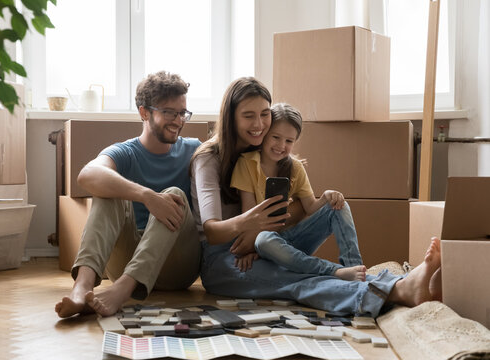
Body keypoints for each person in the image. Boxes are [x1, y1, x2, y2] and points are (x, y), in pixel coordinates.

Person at [190, 76, 442, 317]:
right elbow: (212, 232)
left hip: (265, 242)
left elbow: (297, 210)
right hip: (224, 258)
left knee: (333, 208)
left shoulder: (265, 149)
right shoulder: (208, 158)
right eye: (248, 116)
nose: (259, 125)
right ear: (230, 117)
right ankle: (398, 288)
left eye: (264, 114)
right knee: (297, 282)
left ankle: (371, 277)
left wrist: (264, 229)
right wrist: (252, 224)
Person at [55, 71, 202, 318]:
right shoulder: (126, 151)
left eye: (182, 113)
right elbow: (87, 175)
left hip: (178, 265)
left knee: (174, 194)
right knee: (105, 191)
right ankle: (82, 287)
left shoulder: (195, 149)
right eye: (169, 112)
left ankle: (122, 291)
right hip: (127, 260)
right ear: (144, 112)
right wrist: (147, 196)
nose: (178, 120)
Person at [230, 103, 366, 280]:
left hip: (296, 240)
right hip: (268, 242)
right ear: (264, 134)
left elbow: (311, 208)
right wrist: (255, 250)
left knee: (339, 206)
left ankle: (355, 268)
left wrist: (326, 197)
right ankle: (333, 271)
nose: (281, 145)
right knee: (264, 239)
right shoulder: (246, 164)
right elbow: (248, 218)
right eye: (276, 137)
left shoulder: (296, 167)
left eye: (289, 141)